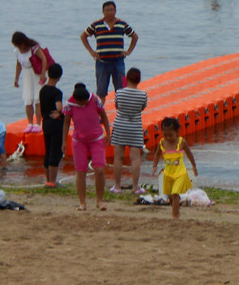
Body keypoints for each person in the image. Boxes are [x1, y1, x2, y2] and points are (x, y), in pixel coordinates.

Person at [62, 83, 110, 211]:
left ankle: (99, 200)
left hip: (96, 138)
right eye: (80, 103)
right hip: (79, 140)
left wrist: (108, 133)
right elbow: (66, 123)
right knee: (80, 171)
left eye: (84, 103)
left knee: (99, 169)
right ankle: (82, 202)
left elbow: (104, 117)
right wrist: (64, 142)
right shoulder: (70, 105)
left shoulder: (95, 100)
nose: (82, 105)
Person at [80, 1, 138, 103]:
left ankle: (121, 112)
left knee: (122, 90)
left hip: (118, 62)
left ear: (115, 11)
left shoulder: (122, 24)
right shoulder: (97, 25)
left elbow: (134, 36)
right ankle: (101, 115)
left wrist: (128, 51)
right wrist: (91, 52)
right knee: (101, 91)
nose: (109, 12)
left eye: (111, 10)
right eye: (107, 10)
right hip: (102, 62)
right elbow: (83, 36)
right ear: (103, 11)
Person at [110, 67, 148, 195]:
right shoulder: (143, 94)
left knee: (118, 158)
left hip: (120, 126)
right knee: (135, 158)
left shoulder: (119, 93)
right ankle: (136, 187)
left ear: (127, 78)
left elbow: (117, 106)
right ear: (139, 80)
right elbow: (142, 108)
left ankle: (117, 186)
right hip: (135, 127)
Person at [151, 117, 197, 219]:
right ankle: (176, 210)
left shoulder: (181, 142)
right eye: (165, 135)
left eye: (170, 135)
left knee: (175, 194)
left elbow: (189, 154)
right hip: (168, 174)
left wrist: (194, 166)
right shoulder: (162, 143)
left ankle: (175, 216)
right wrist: (154, 165)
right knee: (170, 196)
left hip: (180, 173)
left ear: (177, 132)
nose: (168, 138)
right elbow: (157, 154)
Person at [11, 31, 48, 126]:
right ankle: (30, 123)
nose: (19, 47)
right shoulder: (17, 51)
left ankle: (38, 123)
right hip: (26, 74)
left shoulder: (34, 48)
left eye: (20, 45)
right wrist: (16, 78)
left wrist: (43, 74)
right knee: (28, 99)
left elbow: (44, 59)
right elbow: (18, 64)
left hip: (36, 73)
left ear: (23, 42)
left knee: (37, 99)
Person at [39, 63, 64, 187]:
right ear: (59, 77)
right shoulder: (57, 92)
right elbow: (59, 106)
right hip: (55, 124)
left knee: (47, 150)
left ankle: (48, 179)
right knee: (55, 151)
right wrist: (60, 112)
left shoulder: (42, 90)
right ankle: (53, 181)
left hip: (45, 122)